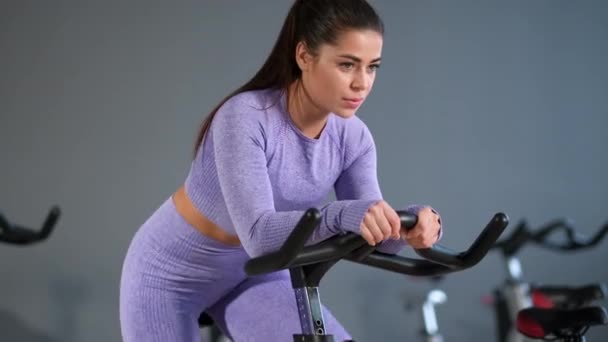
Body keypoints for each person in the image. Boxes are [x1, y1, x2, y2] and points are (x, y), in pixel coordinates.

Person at [119, 0, 443, 341]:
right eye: (347, 65)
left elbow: (369, 235)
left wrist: (408, 224)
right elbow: (259, 235)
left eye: (372, 67)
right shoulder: (245, 117)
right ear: (304, 56)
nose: (362, 83)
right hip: (171, 275)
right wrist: (342, 216)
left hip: (258, 273)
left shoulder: (354, 138)